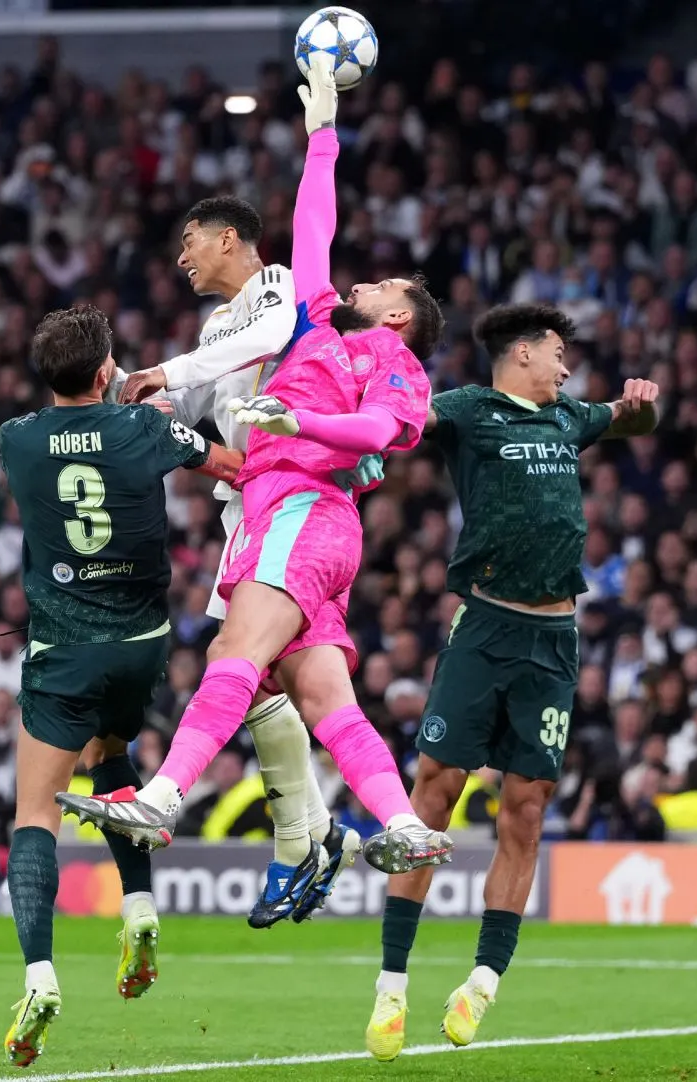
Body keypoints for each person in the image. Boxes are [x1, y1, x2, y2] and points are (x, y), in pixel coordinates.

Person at [59, 62, 452, 879]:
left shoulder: (390, 357)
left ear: (400, 315)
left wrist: (296, 418)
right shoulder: (317, 322)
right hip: (295, 517)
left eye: (383, 284)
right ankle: (405, 823)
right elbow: (317, 225)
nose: (364, 279)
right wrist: (322, 136)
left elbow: (380, 427)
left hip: (303, 509)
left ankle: (163, 798)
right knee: (319, 697)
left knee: (234, 653)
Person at [363, 303, 658, 1060]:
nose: (566, 368)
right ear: (521, 354)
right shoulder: (467, 409)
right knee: (435, 792)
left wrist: (639, 410)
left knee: (525, 809)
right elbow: (399, 421)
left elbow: (626, 426)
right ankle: (390, 993)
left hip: (553, 640)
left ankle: (481, 986)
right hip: (485, 629)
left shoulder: (570, 417)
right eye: (558, 354)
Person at [0, 303, 247, 1066]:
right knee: (111, 754)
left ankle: (40, 975)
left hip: (64, 645)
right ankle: (139, 908)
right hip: (140, 646)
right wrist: (163, 414)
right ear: (107, 370)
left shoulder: (16, 438)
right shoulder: (145, 430)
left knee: (34, 813)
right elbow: (229, 466)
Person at [117, 194, 373, 924]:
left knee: (243, 664)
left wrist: (164, 374)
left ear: (230, 239)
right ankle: (314, 833)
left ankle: (302, 834)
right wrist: (130, 396)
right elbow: (193, 414)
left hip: (294, 504)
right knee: (262, 683)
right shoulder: (213, 327)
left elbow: (265, 341)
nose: (181, 258)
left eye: (191, 241)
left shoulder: (278, 288)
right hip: (250, 509)